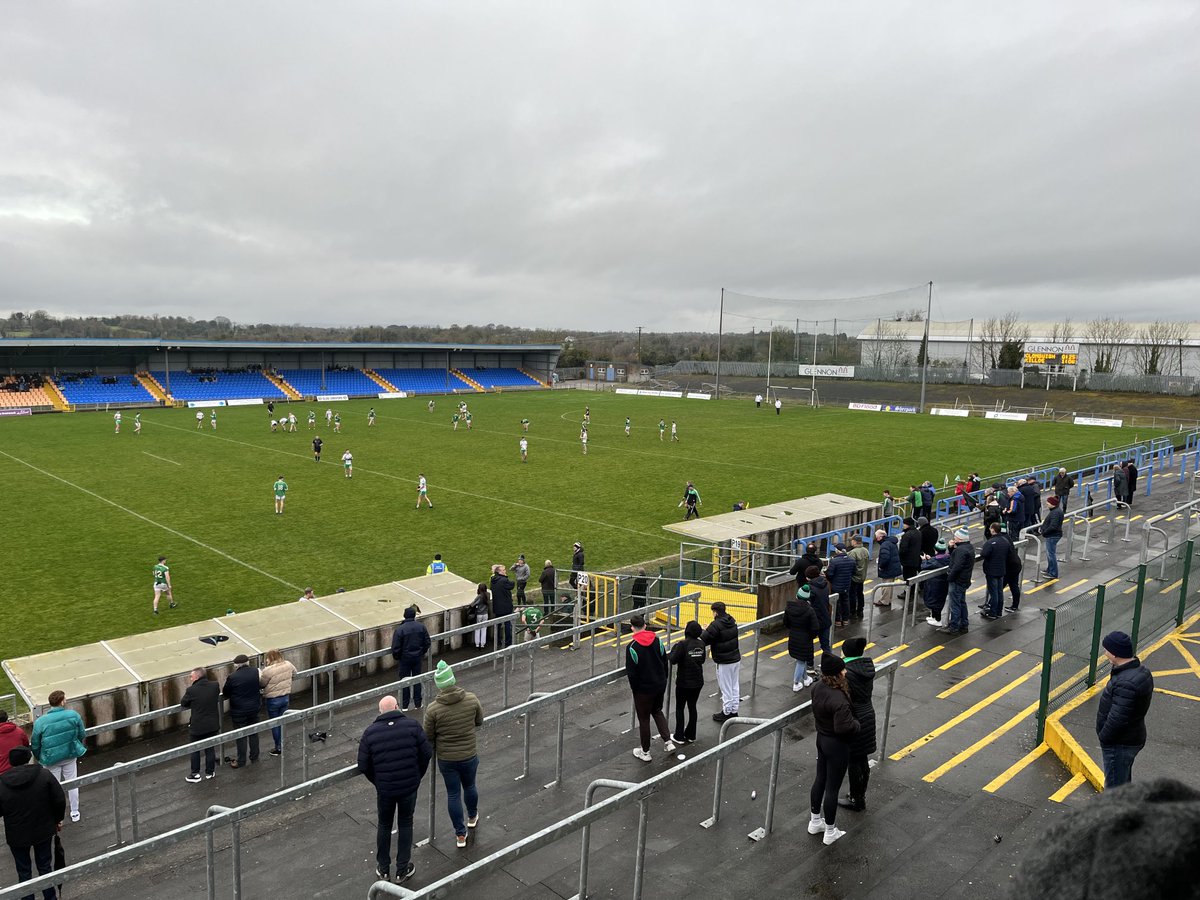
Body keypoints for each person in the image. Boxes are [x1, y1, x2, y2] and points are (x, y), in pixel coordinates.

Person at [357, 695, 431, 884]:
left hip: (386, 790)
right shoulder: (413, 726)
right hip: (409, 787)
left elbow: (363, 765)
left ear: (380, 711)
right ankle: (402, 869)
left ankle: (383, 868)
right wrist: (416, 777)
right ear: (397, 706)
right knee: (406, 824)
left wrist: (378, 781)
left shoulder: (370, 733)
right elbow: (426, 754)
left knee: (384, 825)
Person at [424, 662, 483, 849]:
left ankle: (460, 834)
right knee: (470, 786)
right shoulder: (472, 699)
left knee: (453, 794)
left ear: (439, 685)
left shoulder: (433, 709)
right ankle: (472, 816)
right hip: (468, 753)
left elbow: (428, 735)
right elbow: (479, 721)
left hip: (447, 758)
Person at [0, 745, 65, 900]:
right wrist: (58, 819)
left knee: (23, 871)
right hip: (43, 829)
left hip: (17, 834)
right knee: (45, 867)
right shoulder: (44, 775)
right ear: (28, 758)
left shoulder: (2, 783)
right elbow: (59, 799)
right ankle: (50, 897)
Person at [807, 654, 858, 846]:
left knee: (820, 778)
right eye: (842, 670)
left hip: (822, 739)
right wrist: (856, 725)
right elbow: (844, 727)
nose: (845, 672)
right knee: (832, 787)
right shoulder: (838, 697)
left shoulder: (817, 688)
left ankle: (815, 821)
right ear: (836, 674)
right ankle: (830, 831)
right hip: (837, 745)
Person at [1095, 631, 1154, 788]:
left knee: (1115, 790)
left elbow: (1118, 718)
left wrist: (1104, 737)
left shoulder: (1125, 682)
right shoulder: (1141, 671)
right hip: (1131, 738)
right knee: (1122, 783)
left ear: (1114, 654)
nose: (1105, 652)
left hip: (1119, 744)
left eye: (1106, 649)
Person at [625, 615, 676, 761]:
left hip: (643, 689)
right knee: (657, 711)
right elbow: (664, 660)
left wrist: (635, 689)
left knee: (644, 719)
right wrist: (664, 678)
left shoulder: (632, 647)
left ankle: (645, 752)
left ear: (632, 628)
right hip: (659, 683)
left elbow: (632, 673)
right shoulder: (657, 640)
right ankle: (668, 741)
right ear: (645, 626)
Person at [30, 691, 85, 824]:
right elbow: (81, 734)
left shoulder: (41, 721)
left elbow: (35, 743)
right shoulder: (73, 715)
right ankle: (75, 812)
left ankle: (55, 816)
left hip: (50, 760)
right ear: (61, 701)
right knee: (72, 783)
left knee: (52, 787)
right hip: (69, 755)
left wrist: (41, 757)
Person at [839, 637, 876, 813]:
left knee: (854, 759)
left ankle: (856, 798)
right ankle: (860, 796)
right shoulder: (865, 667)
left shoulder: (848, 673)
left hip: (855, 716)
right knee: (862, 758)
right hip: (868, 713)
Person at [701, 602, 741, 722]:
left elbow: (705, 638)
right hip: (735, 658)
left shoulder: (715, 625)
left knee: (726, 687)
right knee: (734, 685)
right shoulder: (731, 621)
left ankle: (727, 711)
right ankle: (734, 709)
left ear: (716, 612)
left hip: (724, 661)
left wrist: (705, 629)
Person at [220, 655, 261, 769]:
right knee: (254, 732)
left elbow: (226, 692)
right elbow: (261, 683)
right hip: (254, 708)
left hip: (239, 710)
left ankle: (241, 760)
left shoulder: (232, 677)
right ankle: (254, 756)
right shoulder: (255, 671)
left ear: (236, 665)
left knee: (240, 735)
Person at [180, 667, 221, 782]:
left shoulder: (191, 690)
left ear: (197, 677)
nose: (190, 678)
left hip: (197, 726)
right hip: (212, 724)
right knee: (210, 748)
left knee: (195, 749)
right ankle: (210, 772)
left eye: (191, 676)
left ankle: (195, 774)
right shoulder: (215, 686)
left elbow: (184, 703)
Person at [669, 621, 706, 744]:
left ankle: (679, 735)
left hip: (684, 682)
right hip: (698, 681)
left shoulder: (683, 644)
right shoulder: (701, 643)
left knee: (680, 708)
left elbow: (673, 660)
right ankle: (691, 734)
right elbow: (703, 660)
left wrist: (674, 648)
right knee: (692, 707)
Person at [391, 606, 432, 711]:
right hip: (417, 658)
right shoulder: (421, 627)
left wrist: (398, 657)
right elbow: (427, 642)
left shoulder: (400, 629)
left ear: (405, 616)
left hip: (405, 659)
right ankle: (418, 703)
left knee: (405, 681)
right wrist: (421, 653)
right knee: (417, 679)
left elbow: (395, 647)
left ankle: (404, 705)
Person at [259, 649, 297, 757]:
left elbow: (262, 683)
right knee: (282, 721)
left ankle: (278, 747)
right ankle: (282, 743)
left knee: (275, 724)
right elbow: (295, 673)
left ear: (270, 658)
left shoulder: (268, 670)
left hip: (273, 700)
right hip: (285, 697)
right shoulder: (288, 664)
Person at [940, 528, 974, 635]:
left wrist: (950, 577)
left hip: (957, 580)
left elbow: (957, 565)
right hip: (964, 579)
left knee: (955, 604)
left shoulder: (960, 550)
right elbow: (955, 558)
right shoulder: (968, 548)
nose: (953, 538)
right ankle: (964, 624)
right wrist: (951, 548)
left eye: (955, 537)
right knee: (962, 602)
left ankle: (954, 626)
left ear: (959, 539)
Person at [785, 584, 820, 690]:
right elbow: (815, 628)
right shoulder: (809, 610)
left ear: (797, 596)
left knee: (800, 659)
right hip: (805, 639)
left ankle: (805, 679)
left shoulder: (789, 608)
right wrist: (810, 636)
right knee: (801, 661)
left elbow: (786, 623)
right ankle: (796, 683)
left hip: (793, 636)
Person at [980, 523, 1009, 620]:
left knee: (994, 593)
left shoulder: (990, 542)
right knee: (999, 591)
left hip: (991, 570)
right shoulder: (1005, 541)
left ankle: (993, 612)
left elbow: (984, 554)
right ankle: (999, 611)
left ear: (992, 530)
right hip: (1001, 569)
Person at [920, 540, 951, 627]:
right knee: (938, 600)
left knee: (934, 601)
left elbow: (924, 566)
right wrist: (930, 559)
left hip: (934, 583)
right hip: (943, 583)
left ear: (936, 550)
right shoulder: (947, 558)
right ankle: (934, 617)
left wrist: (924, 560)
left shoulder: (935, 561)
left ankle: (937, 619)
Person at [806, 565, 833, 654]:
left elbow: (806, 603)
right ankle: (830, 662)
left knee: (808, 643)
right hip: (825, 617)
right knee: (825, 645)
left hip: (814, 620)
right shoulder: (825, 583)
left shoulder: (810, 588)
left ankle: (810, 665)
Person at [826, 545, 855, 626]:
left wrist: (830, 579)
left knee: (837, 602)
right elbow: (854, 572)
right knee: (845, 601)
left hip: (836, 585)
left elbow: (830, 574)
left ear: (838, 550)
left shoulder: (834, 561)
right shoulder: (851, 560)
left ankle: (838, 620)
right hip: (846, 584)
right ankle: (846, 619)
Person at [1039, 495, 1065, 579]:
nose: (1046, 503)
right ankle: (1050, 569)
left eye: (1048, 502)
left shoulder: (1055, 512)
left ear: (1052, 504)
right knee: (1050, 554)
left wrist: (1044, 532)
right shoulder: (1055, 511)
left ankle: (1053, 573)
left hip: (1052, 535)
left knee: (1051, 554)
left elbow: (1053, 526)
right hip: (1053, 535)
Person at [490, 564, 515, 649]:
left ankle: (498, 641)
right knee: (508, 625)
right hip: (506, 607)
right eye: (504, 570)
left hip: (497, 607)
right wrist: (506, 577)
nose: (505, 571)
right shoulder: (504, 580)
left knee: (498, 625)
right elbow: (512, 584)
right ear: (500, 571)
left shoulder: (493, 580)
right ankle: (508, 643)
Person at [873, 529, 901, 607]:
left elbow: (885, 558)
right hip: (893, 567)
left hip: (888, 568)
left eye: (877, 537)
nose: (876, 539)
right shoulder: (891, 542)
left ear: (880, 537)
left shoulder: (884, 545)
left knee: (886, 585)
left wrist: (881, 566)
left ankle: (884, 601)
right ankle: (888, 600)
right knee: (890, 585)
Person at [898, 518, 922, 604]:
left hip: (907, 560)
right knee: (913, 575)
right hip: (915, 559)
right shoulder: (918, 532)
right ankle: (912, 592)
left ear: (907, 524)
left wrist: (900, 556)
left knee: (907, 577)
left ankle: (907, 593)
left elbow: (903, 549)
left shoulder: (907, 535)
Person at [0, 711, 31, 776]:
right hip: (20, 769)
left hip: (3, 773)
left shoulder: (19, 731)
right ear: (7, 718)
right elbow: (26, 746)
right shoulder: (19, 731)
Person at [847, 535, 869, 620]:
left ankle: (852, 612)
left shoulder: (853, 552)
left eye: (852, 540)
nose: (851, 542)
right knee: (860, 593)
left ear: (855, 542)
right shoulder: (865, 550)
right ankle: (860, 610)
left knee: (852, 595)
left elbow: (850, 566)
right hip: (862, 576)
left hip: (854, 578)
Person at [468, 584, 490, 649]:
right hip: (485, 614)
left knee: (477, 629)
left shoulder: (479, 596)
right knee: (484, 629)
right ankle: (483, 644)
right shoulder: (488, 594)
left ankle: (477, 644)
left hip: (479, 614)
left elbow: (472, 604)